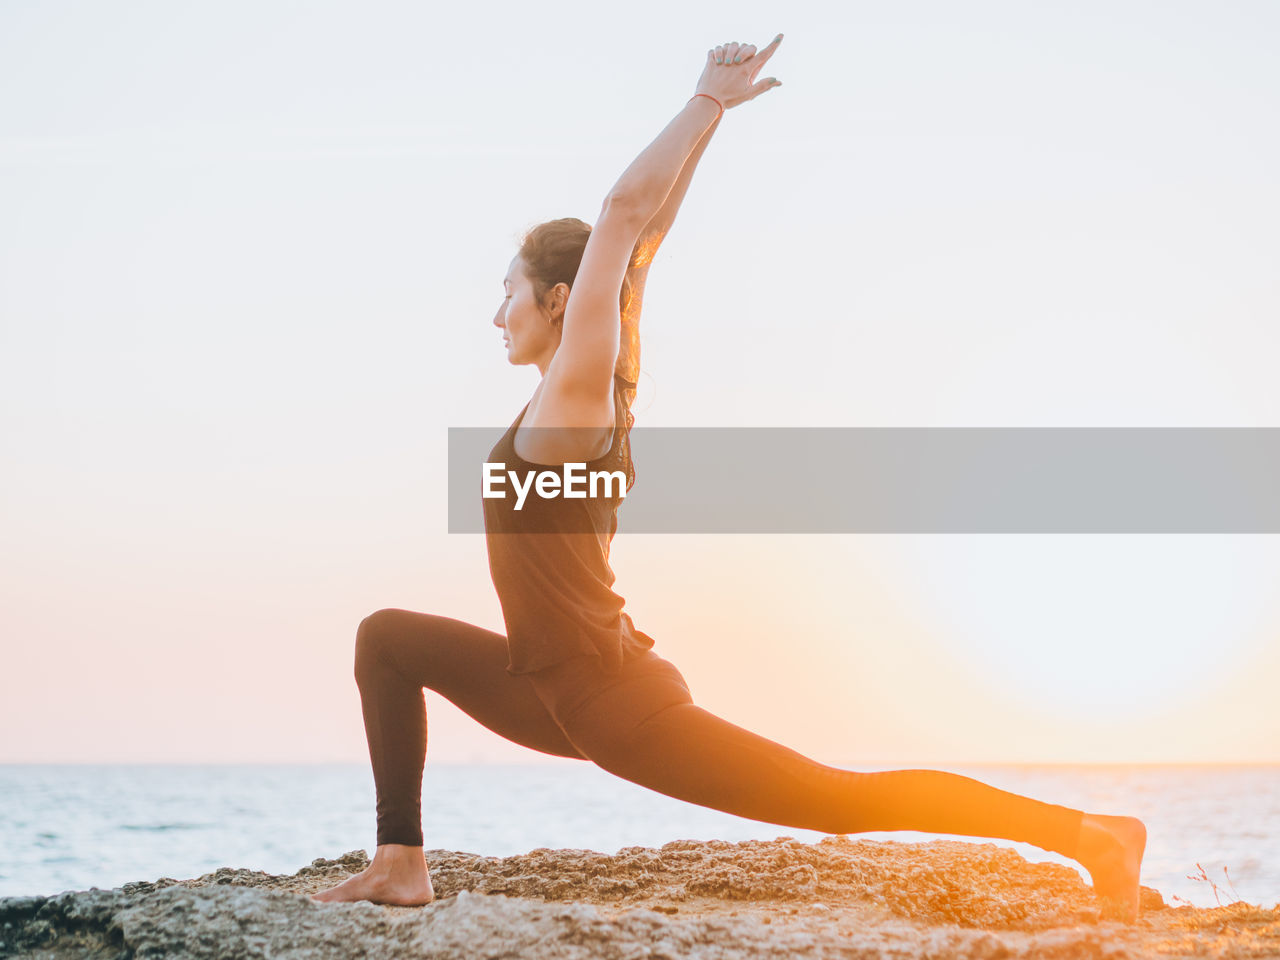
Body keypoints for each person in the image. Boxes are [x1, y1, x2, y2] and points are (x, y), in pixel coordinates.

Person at [311, 35, 1147, 921]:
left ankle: (1093, 834)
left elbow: (626, 212)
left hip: (611, 706)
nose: (495, 314)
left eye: (509, 290)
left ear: (562, 300)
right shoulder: (584, 388)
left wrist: (705, 101)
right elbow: (646, 237)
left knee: (839, 800)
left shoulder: (578, 397)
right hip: (552, 684)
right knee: (387, 638)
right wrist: (712, 126)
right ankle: (401, 862)